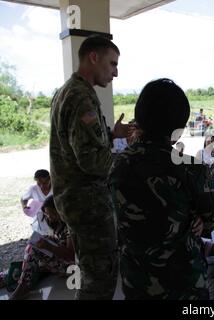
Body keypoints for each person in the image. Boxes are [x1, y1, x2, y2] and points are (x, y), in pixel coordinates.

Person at [109, 78, 214, 299]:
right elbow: (210, 220)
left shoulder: (118, 164)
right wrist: (198, 217)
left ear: (139, 118)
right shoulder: (192, 168)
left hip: (137, 281)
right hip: (184, 284)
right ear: (178, 127)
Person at [49, 36, 130, 299]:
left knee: (89, 270)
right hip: (88, 203)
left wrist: (112, 134)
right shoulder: (81, 97)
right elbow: (92, 161)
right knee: (101, 278)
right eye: (112, 64)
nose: (115, 72)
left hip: (75, 199)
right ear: (93, 57)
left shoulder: (67, 91)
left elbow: (79, 140)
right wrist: (128, 159)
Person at [9, 195, 74, 300]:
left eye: (51, 213)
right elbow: (62, 242)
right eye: (47, 214)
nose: (48, 217)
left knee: (33, 250)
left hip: (74, 268)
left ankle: (24, 286)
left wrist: (47, 245)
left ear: (59, 211)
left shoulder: (71, 227)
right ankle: (25, 283)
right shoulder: (59, 223)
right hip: (67, 264)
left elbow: (70, 255)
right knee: (33, 248)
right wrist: (50, 240)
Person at [20, 169, 53, 235]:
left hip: (55, 218)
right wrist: (24, 206)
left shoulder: (55, 188)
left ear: (50, 179)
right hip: (40, 221)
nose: (42, 186)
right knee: (42, 240)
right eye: (39, 183)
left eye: (45, 183)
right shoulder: (33, 189)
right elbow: (23, 199)